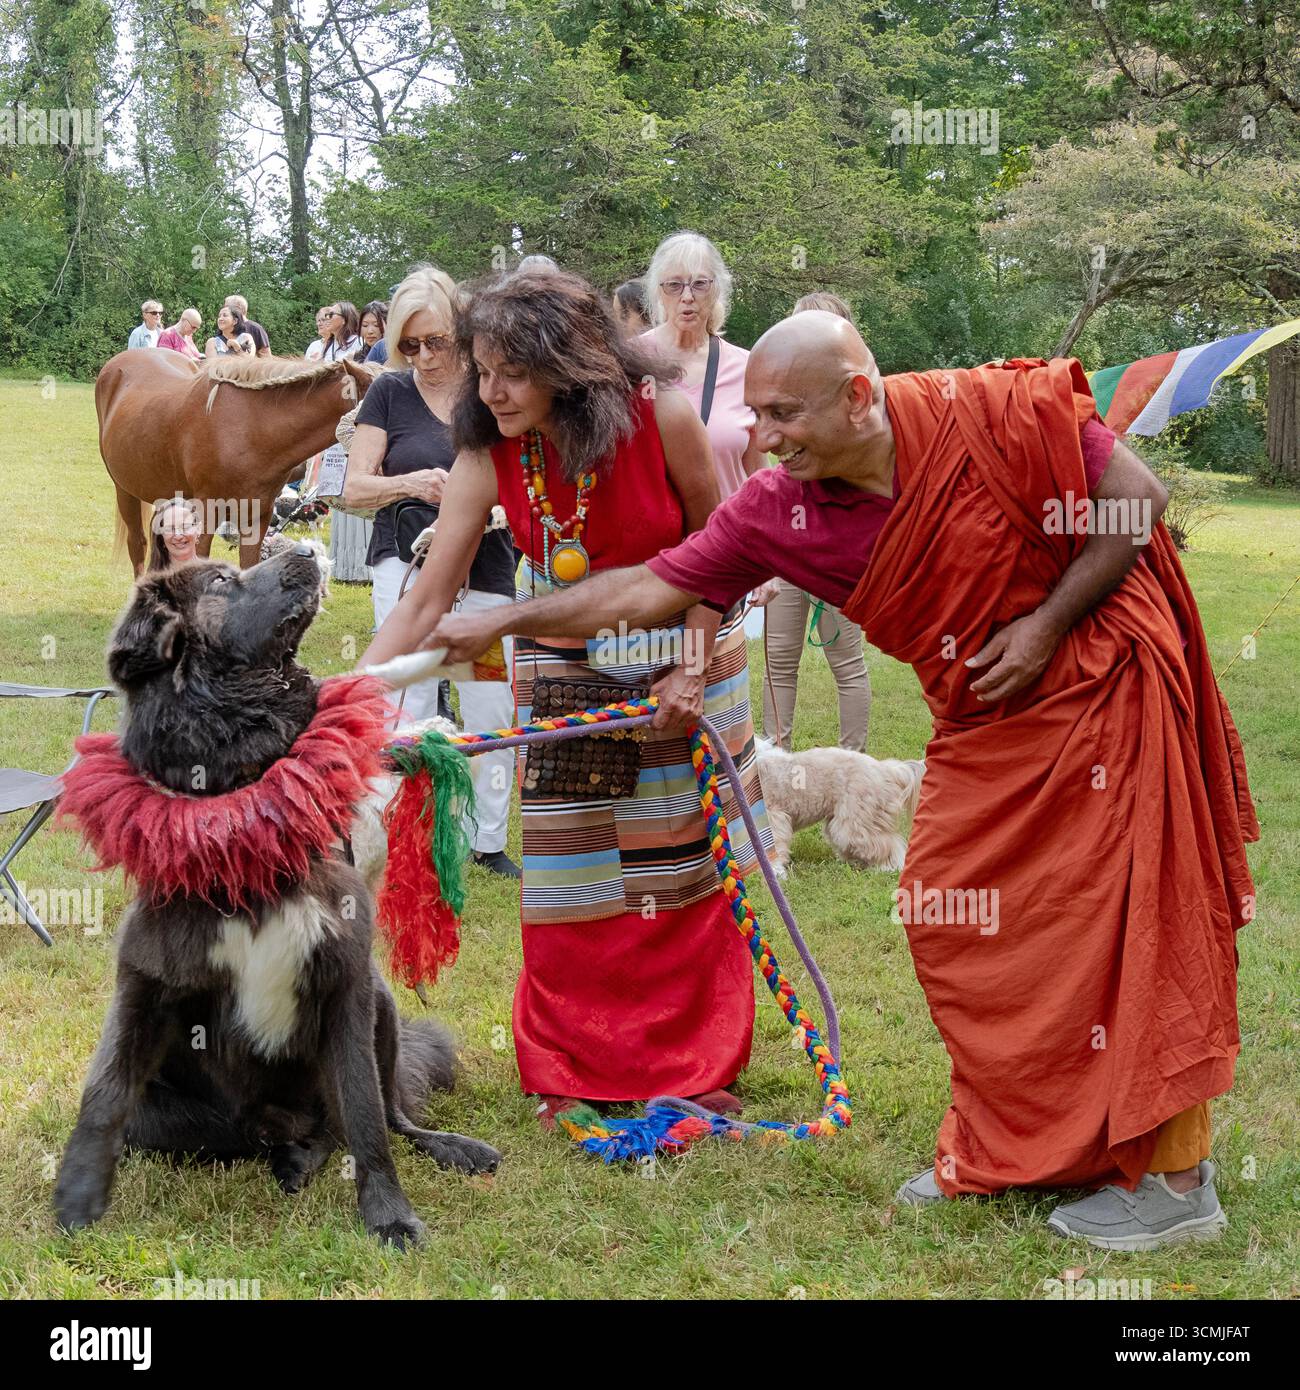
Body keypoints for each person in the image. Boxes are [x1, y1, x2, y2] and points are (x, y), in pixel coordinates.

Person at [421, 311, 1258, 1251]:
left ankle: (1177, 1181)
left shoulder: (983, 411)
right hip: (985, 723)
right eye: (756, 415)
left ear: (858, 397)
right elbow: (652, 586)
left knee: (1130, 924)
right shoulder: (778, 508)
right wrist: (502, 621)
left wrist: (1047, 625)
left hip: (1107, 688)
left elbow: (1133, 499)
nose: (765, 439)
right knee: (966, 925)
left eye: (784, 416)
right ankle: (1036, 1146)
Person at [360, 268, 772, 1124]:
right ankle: (578, 1063)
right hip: (566, 668)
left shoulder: (661, 413)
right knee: (571, 873)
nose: (491, 389)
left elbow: (724, 553)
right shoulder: (488, 444)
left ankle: (692, 1065)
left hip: (686, 666)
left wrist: (690, 666)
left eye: (512, 370)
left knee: (681, 872)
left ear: (572, 362)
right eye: (480, 368)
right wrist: (350, 699)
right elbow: (428, 599)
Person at [345, 265, 519, 877]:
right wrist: (410, 482)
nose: (422, 357)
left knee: (490, 701)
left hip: (490, 568)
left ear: (459, 332)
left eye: (435, 342)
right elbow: (352, 487)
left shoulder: (490, 390)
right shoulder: (389, 393)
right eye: (409, 345)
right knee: (408, 701)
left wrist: (496, 508)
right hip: (406, 566)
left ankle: (487, 839)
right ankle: (408, 831)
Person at [761, 292, 872, 751]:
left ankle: (854, 765)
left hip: (837, 549)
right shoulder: (779, 397)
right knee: (778, 661)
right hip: (787, 546)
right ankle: (772, 766)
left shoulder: (860, 402)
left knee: (846, 661)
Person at [641, 231, 765, 498]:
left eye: (699, 284)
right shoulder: (630, 362)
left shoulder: (747, 368)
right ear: (659, 292)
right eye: (674, 285)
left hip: (729, 534)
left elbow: (757, 473)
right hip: (657, 538)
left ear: (716, 290)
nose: (687, 296)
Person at [147, 498, 202, 569]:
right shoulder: (152, 579)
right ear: (161, 536)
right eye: (169, 529)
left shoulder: (216, 576)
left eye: (185, 527)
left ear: (198, 529)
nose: (178, 536)